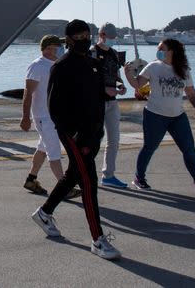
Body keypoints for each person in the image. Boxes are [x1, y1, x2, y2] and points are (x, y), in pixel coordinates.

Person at [31, 20, 121, 260]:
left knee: (73, 175)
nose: (84, 39)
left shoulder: (93, 64)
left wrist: (108, 96)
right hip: (74, 135)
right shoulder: (61, 67)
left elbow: (97, 98)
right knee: (89, 183)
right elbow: (55, 107)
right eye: (79, 36)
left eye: (86, 35)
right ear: (69, 40)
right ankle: (98, 240)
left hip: (92, 133)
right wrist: (75, 135)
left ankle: (44, 213)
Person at [124, 38, 195, 193]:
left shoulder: (183, 70)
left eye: (162, 49)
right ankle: (139, 178)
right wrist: (128, 75)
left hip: (177, 116)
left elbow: (191, 93)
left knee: (189, 149)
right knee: (149, 147)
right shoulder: (153, 67)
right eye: (158, 49)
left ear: (172, 51)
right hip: (155, 115)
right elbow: (138, 85)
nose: (158, 51)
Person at [20, 35, 82, 199]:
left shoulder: (56, 64)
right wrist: (25, 117)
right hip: (43, 116)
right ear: (48, 48)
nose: (61, 49)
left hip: (54, 116)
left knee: (43, 148)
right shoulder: (37, 66)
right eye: (58, 46)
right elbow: (28, 93)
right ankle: (65, 188)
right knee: (54, 151)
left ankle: (31, 179)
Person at [92, 23, 129, 188]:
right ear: (102, 34)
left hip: (112, 102)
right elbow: (87, 79)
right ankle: (82, 173)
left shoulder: (114, 54)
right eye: (110, 37)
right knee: (93, 140)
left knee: (114, 139)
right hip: (96, 102)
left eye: (114, 38)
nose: (112, 40)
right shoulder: (92, 53)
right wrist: (105, 88)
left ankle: (108, 175)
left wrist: (120, 85)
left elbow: (116, 75)